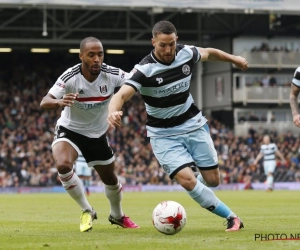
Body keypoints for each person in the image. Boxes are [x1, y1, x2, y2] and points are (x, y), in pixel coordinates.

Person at [107, 21, 248, 232]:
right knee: (187, 180)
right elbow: (121, 95)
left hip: (193, 124)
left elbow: (209, 52)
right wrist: (113, 111)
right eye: (162, 45)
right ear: (153, 42)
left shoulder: (186, 53)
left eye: (171, 44)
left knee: (213, 180)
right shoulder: (144, 70)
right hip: (163, 135)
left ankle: (194, 185)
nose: (167, 50)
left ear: (177, 40)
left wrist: (234, 59)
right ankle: (232, 217)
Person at [40, 36, 139, 232]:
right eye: (91, 55)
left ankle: (117, 215)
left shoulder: (111, 74)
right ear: (81, 56)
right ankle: (87, 210)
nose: (96, 59)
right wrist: (59, 102)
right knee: (63, 164)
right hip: (70, 130)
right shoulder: (70, 76)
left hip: (97, 134)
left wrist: (118, 106)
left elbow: (136, 83)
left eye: (100, 54)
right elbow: (45, 101)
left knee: (110, 178)